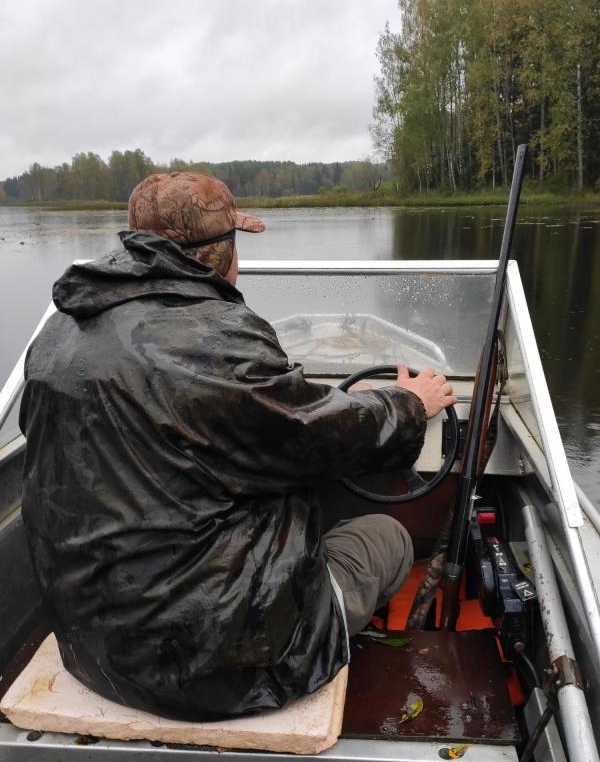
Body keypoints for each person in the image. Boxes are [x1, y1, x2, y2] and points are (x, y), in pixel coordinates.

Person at [19, 172, 455, 722]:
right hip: (222, 671)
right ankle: (364, 665)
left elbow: (257, 413)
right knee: (387, 538)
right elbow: (309, 436)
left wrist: (325, 401)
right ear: (225, 253)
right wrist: (411, 403)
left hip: (97, 649)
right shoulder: (220, 338)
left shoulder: (59, 334)